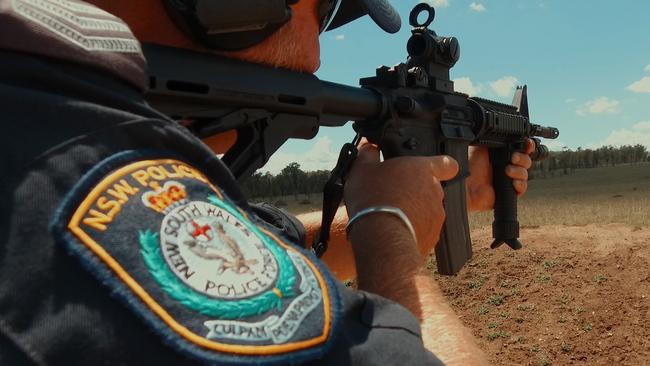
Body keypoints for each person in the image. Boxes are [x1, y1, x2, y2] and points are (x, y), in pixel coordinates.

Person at [0, 0, 533, 365]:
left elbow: (264, 243)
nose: (318, 57)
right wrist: (392, 233)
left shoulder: (39, 125)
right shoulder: (91, 173)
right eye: (323, 12)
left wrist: (427, 197)